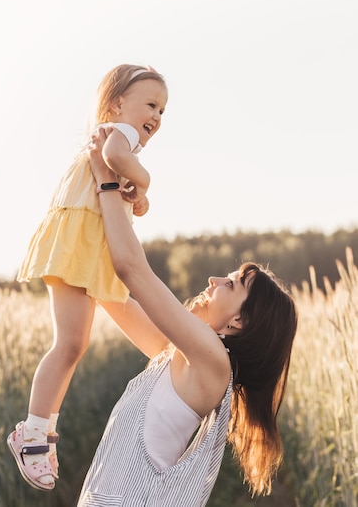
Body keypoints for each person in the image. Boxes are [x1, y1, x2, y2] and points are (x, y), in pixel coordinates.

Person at [75, 127, 298, 506]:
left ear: (240, 322)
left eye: (230, 284)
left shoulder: (213, 363)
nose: (212, 280)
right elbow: (108, 290)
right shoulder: (172, 355)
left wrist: (107, 182)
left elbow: (132, 269)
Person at [7, 64, 168, 491]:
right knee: (73, 342)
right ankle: (34, 432)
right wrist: (145, 182)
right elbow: (116, 159)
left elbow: (116, 177)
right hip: (82, 245)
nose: (156, 116)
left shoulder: (111, 137)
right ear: (116, 103)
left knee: (94, 331)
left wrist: (137, 195)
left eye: (163, 111)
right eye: (150, 104)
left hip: (86, 245)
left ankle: (169, 365)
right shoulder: (121, 136)